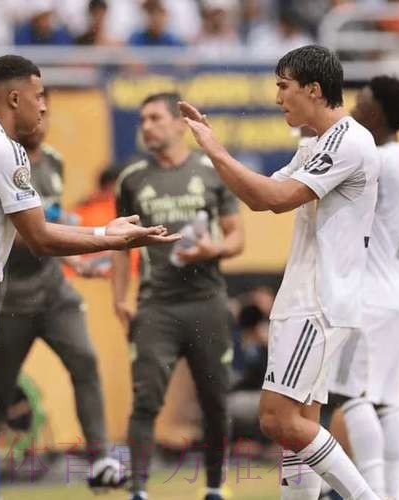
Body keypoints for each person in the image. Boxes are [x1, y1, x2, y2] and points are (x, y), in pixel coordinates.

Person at [0, 54, 177, 500]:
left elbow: (31, 226)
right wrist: (110, 238)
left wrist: (102, 234)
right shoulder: (3, 148)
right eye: (39, 95)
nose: (45, 106)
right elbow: (40, 237)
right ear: (15, 98)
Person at [181, 45, 381, 500]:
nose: (277, 98)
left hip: (319, 300)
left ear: (314, 90)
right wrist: (217, 152)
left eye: (283, 86)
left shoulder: (349, 141)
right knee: (299, 424)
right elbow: (260, 195)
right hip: (309, 297)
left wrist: (214, 149)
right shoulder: (317, 143)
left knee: (277, 419)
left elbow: (275, 200)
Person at [0, 98, 122, 499]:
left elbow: (51, 225)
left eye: (46, 112)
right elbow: (27, 235)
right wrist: (86, 240)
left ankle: (100, 460)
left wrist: (76, 263)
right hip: (12, 299)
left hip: (54, 292)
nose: (41, 120)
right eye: (36, 110)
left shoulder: (54, 161)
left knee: (85, 359)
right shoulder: (4, 161)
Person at [112, 92, 245, 500]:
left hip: (207, 302)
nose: (146, 126)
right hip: (157, 306)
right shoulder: (131, 178)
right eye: (142, 120)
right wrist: (120, 299)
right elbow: (120, 246)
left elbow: (237, 237)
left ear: (177, 123)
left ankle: (215, 487)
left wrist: (213, 249)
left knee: (215, 402)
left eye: (155, 118)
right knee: (146, 399)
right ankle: (138, 490)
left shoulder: (211, 170)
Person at [325, 76, 399, 499]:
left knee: (354, 396)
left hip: (371, 294)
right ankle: (390, 494)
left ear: (377, 112)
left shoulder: (376, 160)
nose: (353, 105)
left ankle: (374, 493)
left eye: (361, 100)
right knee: (391, 401)